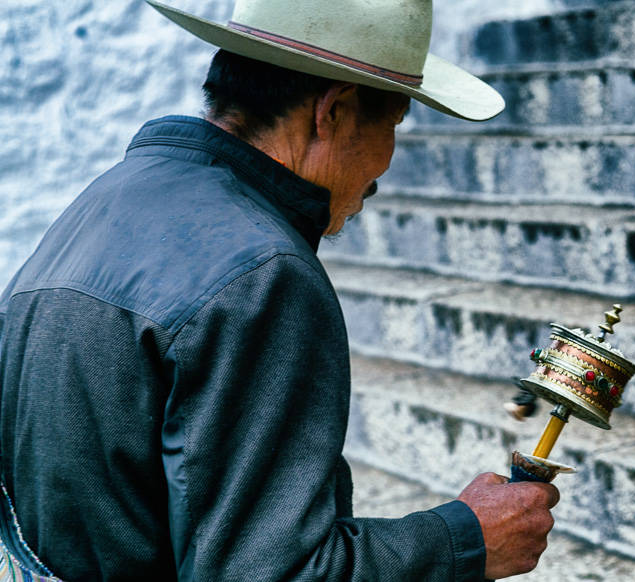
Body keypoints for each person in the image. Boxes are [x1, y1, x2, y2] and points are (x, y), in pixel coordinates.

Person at [0, 0, 558, 580]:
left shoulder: (104, 201)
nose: (384, 168)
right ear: (335, 111)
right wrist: (464, 539)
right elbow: (273, 572)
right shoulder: (262, 273)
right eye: (392, 123)